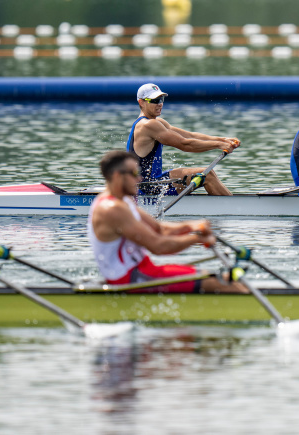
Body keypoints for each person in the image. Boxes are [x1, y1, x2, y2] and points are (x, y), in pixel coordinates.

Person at [89, 150, 246, 293]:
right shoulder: (112, 209)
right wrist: (196, 238)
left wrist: (191, 226)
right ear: (117, 176)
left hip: (142, 270)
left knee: (222, 278)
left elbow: (159, 228)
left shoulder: (123, 201)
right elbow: (159, 246)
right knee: (219, 282)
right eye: (135, 173)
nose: (139, 178)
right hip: (129, 279)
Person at [128, 83, 240, 200]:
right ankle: (234, 207)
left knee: (206, 173)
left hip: (153, 180)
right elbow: (185, 144)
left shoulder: (158, 122)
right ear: (141, 102)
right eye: (155, 100)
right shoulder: (147, 125)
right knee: (207, 175)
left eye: (161, 99)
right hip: (147, 187)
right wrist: (219, 145)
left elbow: (189, 135)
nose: (159, 104)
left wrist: (223, 140)